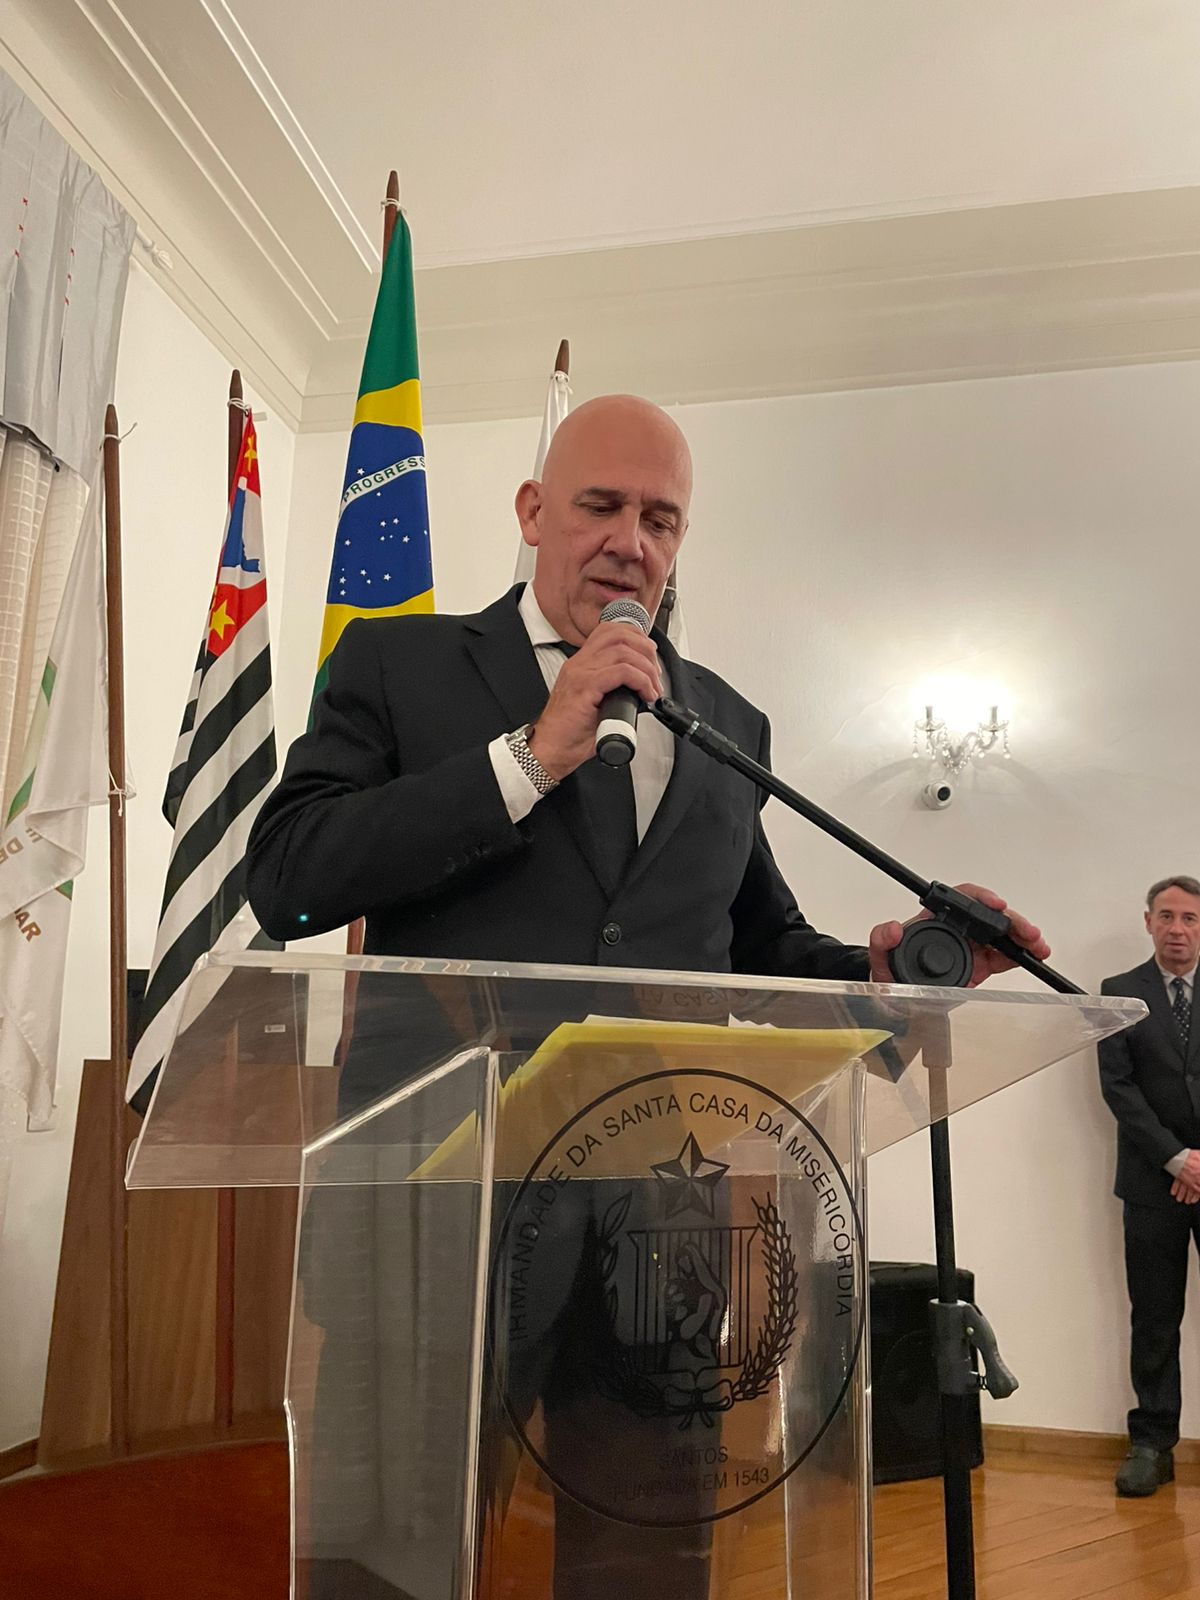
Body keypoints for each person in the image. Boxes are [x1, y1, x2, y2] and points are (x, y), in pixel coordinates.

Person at [247, 394, 1049, 1598]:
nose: (631, 541)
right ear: (533, 513)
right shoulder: (400, 666)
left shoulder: (726, 720)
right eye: (601, 506)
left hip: (662, 1225)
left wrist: (887, 975)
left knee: (647, 1565)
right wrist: (531, 757)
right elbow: (289, 876)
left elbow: (756, 946)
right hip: (434, 1212)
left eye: (661, 518)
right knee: (393, 1561)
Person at [1099, 875, 1200, 1498]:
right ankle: (1152, 1446)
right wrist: (1176, 1159)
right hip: (1149, 1183)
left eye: (1190, 918)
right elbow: (1118, 1088)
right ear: (1148, 922)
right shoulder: (1119, 994)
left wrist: (1199, 1164)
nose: (1177, 929)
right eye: (1167, 916)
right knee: (1156, 1318)